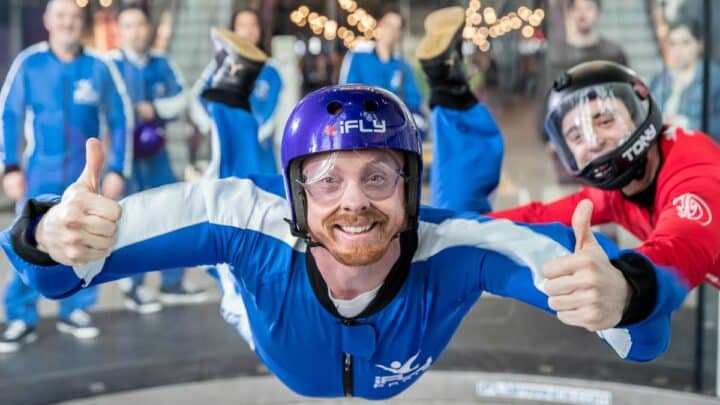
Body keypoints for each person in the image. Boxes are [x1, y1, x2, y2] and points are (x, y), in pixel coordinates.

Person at [0, 29, 687, 399]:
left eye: (379, 175)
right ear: (296, 193)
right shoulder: (254, 216)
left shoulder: (452, 243)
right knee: (228, 198)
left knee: (462, 215)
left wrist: (624, 293)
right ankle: (235, 93)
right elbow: (54, 273)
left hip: (429, 233)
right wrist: (49, 230)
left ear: (406, 186)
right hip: (259, 240)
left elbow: (636, 333)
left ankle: (437, 89)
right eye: (326, 180)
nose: (354, 200)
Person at [490, 59, 720, 290]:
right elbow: (538, 216)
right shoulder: (614, 194)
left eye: (606, 121)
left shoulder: (692, 167)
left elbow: (680, 248)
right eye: (577, 137)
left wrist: (624, 285)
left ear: (637, 115)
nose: (594, 141)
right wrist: (466, 226)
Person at [0, 0, 131, 352]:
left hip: (84, 177)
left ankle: (75, 310)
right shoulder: (29, 64)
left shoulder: (98, 67)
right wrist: (9, 166)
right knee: (29, 244)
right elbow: (9, 115)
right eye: (61, 16)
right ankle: (20, 316)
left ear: (81, 22)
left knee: (83, 245)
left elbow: (120, 119)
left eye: (73, 16)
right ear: (47, 21)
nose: (68, 22)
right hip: (38, 173)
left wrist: (118, 168)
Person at [109, 4, 206, 314]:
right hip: (123, 160)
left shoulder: (163, 63)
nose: (136, 32)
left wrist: (155, 108)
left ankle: (171, 282)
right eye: (129, 26)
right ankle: (133, 288)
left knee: (171, 216)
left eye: (140, 25)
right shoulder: (108, 66)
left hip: (158, 155)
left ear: (148, 29)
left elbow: (182, 97)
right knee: (128, 222)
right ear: (119, 31)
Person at [414, 6, 503, 213]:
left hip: (450, 112)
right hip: (459, 209)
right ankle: (443, 78)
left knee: (458, 195)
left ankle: (443, 78)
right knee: (459, 204)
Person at [189, 7, 282, 178]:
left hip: (259, 153)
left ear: (261, 30)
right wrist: (214, 126)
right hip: (226, 152)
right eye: (242, 25)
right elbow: (198, 97)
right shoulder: (220, 65)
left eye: (253, 25)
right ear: (233, 30)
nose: (248, 31)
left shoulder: (272, 70)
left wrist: (250, 132)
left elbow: (276, 113)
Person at [338, 6, 427, 139]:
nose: (391, 32)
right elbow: (347, 91)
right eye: (388, 25)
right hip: (363, 119)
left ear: (399, 34)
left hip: (394, 123)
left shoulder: (403, 66)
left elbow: (414, 100)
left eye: (396, 28)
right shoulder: (358, 56)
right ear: (380, 25)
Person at [649, 19, 720, 143]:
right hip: (666, 150)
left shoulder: (714, 79)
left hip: (699, 150)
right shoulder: (659, 79)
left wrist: (687, 123)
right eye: (673, 43)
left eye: (685, 42)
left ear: (700, 44)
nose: (678, 49)